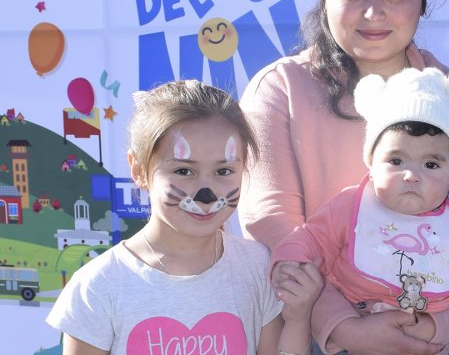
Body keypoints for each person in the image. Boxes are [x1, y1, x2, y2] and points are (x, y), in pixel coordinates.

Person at [237, 0, 449, 355]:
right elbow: (274, 229)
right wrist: (342, 326)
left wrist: (436, 329)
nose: (373, 12)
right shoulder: (280, 89)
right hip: (305, 337)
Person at [47, 79, 323, 355]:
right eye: (183, 171)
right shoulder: (99, 286)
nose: (207, 193)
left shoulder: (258, 267)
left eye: (223, 171)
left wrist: (299, 319)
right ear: (139, 169)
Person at [270, 67, 449, 317]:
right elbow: (311, 238)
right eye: (396, 161)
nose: (411, 175)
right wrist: (288, 260)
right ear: (371, 164)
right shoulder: (351, 207)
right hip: (354, 318)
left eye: (431, 164)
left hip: (432, 337)